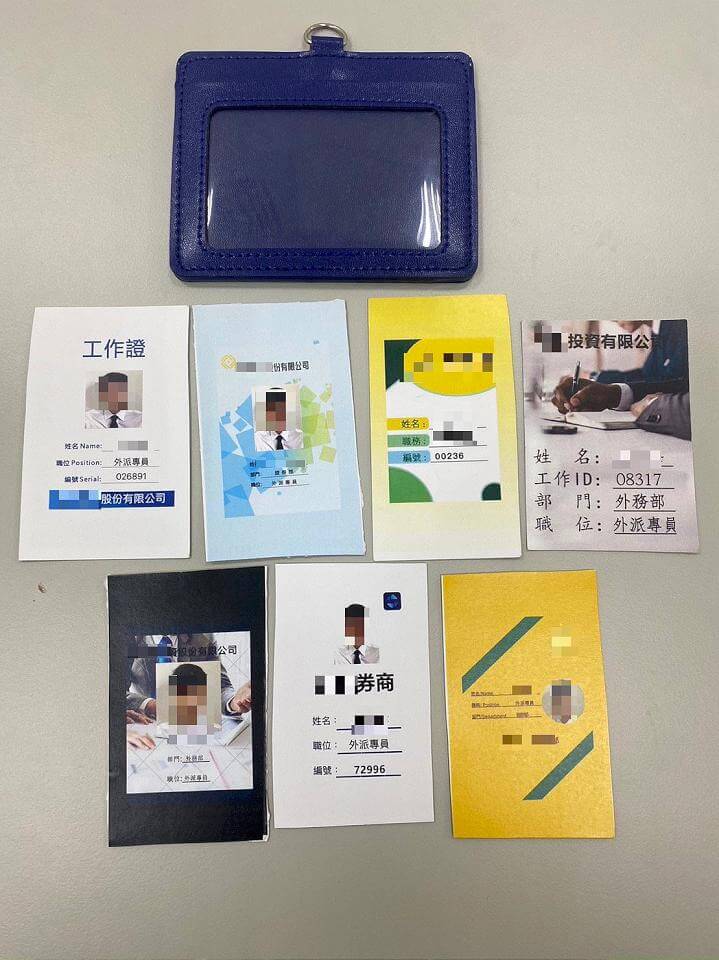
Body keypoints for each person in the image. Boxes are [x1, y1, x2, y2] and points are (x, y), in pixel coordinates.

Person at [552, 320, 689, 415]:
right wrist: (595, 378)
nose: (613, 320)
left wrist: (613, 394)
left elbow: (680, 384)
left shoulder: (680, 326)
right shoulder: (659, 328)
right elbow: (647, 375)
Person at [125, 633, 251, 721]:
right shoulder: (129, 637)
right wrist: (149, 705)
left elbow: (219, 685)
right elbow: (116, 692)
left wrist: (233, 701)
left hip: (190, 721)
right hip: (143, 720)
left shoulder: (203, 636)